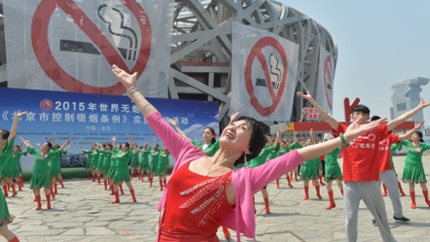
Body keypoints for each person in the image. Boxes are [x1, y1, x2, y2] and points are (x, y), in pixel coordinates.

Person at [111, 64, 387, 241]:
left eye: (242, 128)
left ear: (248, 148)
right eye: (232, 123)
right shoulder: (189, 154)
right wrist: (133, 89)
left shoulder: (242, 178)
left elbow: (294, 157)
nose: (232, 127)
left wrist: (343, 139)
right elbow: (156, 120)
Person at [296, 90, 430, 242]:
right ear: (352, 117)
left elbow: (398, 121)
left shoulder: (377, 131)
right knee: (350, 218)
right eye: (357, 114)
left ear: (368, 117)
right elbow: (326, 117)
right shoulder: (345, 130)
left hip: (370, 182)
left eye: (363, 114)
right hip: (350, 182)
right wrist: (311, 100)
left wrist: (419, 108)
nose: (360, 117)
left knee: (381, 217)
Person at [368, 117, 423, 225]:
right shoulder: (369, 137)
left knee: (394, 192)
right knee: (374, 194)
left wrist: (413, 130)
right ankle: (375, 217)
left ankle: (398, 215)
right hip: (373, 170)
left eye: (382, 123)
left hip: (387, 168)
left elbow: (402, 137)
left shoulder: (388, 136)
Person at [21, 137, 72, 210]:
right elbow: (30, 147)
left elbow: (59, 150)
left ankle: (48, 203)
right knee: (36, 189)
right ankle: (39, 204)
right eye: (43, 145)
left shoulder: (50, 154)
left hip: (44, 173)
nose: (42, 146)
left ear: (48, 147)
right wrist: (24, 141)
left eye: (44, 145)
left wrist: (66, 142)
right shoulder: (37, 152)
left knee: (46, 189)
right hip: (36, 173)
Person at [400, 131, 430, 208]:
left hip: (418, 167)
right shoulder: (408, 144)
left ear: (419, 138)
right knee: (411, 185)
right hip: (409, 167)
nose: (413, 136)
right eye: (412, 135)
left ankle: (427, 199)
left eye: (415, 135)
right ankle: (413, 202)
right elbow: (399, 139)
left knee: (423, 184)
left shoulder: (423, 146)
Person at [0, 110, 27, 242]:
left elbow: (12, 136)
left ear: (3, 141)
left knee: (3, 230)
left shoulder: (4, 153)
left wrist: (16, 119)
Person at [323, 133, 343, 210]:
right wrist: (311, 136)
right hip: (328, 167)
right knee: (328, 186)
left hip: (335, 166)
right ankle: (332, 202)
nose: (329, 137)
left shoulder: (336, 146)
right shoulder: (326, 146)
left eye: (331, 136)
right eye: (328, 136)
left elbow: (342, 141)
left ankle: (348, 201)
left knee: (340, 185)